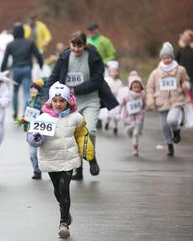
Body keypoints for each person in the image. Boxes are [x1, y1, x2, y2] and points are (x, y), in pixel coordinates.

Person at [48, 31, 119, 180]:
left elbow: (97, 80)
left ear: (85, 45)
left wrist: (75, 89)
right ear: (70, 44)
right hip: (70, 103)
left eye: (79, 46)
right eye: (73, 45)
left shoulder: (93, 56)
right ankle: (78, 169)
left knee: (90, 131)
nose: (76, 49)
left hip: (90, 100)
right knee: (73, 135)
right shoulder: (64, 57)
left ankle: (91, 157)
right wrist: (46, 97)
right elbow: (53, 77)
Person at [27, 82, 94, 239]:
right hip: (51, 159)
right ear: (51, 101)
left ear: (68, 101)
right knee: (57, 191)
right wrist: (35, 138)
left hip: (68, 159)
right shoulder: (43, 117)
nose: (58, 104)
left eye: (62, 101)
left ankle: (63, 222)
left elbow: (82, 135)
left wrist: (88, 153)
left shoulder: (76, 118)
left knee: (64, 189)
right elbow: (31, 137)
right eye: (55, 100)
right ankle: (65, 210)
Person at [146, 42, 190, 157]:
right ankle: (169, 145)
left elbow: (185, 80)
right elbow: (150, 87)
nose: (167, 60)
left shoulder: (180, 70)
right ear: (161, 58)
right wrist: (150, 100)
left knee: (171, 120)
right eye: (164, 57)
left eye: (169, 57)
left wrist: (185, 85)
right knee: (164, 126)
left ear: (172, 57)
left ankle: (176, 131)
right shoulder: (155, 73)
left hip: (177, 99)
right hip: (161, 102)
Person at [1, 22, 43, 120]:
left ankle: (15, 112)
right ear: (23, 32)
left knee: (15, 91)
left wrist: (1, 73)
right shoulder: (30, 43)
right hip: (27, 69)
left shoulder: (10, 45)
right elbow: (38, 55)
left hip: (15, 70)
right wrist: (40, 65)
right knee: (26, 93)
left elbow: (5, 60)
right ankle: (25, 113)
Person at [15, 78, 47, 180]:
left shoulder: (44, 102)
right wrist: (23, 120)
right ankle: (37, 171)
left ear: (40, 90)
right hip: (31, 131)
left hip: (42, 131)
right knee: (32, 153)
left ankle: (52, 170)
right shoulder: (28, 101)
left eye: (35, 88)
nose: (32, 90)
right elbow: (27, 115)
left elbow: (47, 114)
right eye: (31, 88)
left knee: (47, 153)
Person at [119, 71, 145, 156]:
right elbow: (122, 103)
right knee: (128, 132)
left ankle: (135, 149)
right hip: (129, 118)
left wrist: (147, 108)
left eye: (138, 87)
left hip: (139, 118)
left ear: (141, 87)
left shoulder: (142, 95)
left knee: (136, 133)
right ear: (131, 87)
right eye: (135, 87)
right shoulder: (127, 96)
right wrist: (119, 111)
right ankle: (132, 135)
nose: (137, 89)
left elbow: (145, 104)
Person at [99, 60, 123, 134]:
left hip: (116, 99)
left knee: (116, 115)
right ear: (109, 72)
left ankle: (115, 126)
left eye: (116, 71)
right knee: (109, 113)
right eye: (113, 71)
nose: (114, 73)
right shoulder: (107, 80)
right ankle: (107, 122)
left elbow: (120, 90)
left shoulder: (119, 81)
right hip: (109, 98)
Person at [176, 29, 193, 99]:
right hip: (182, 76)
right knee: (183, 94)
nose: (186, 38)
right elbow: (176, 61)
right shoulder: (180, 49)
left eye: (187, 36)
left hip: (192, 76)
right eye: (184, 36)